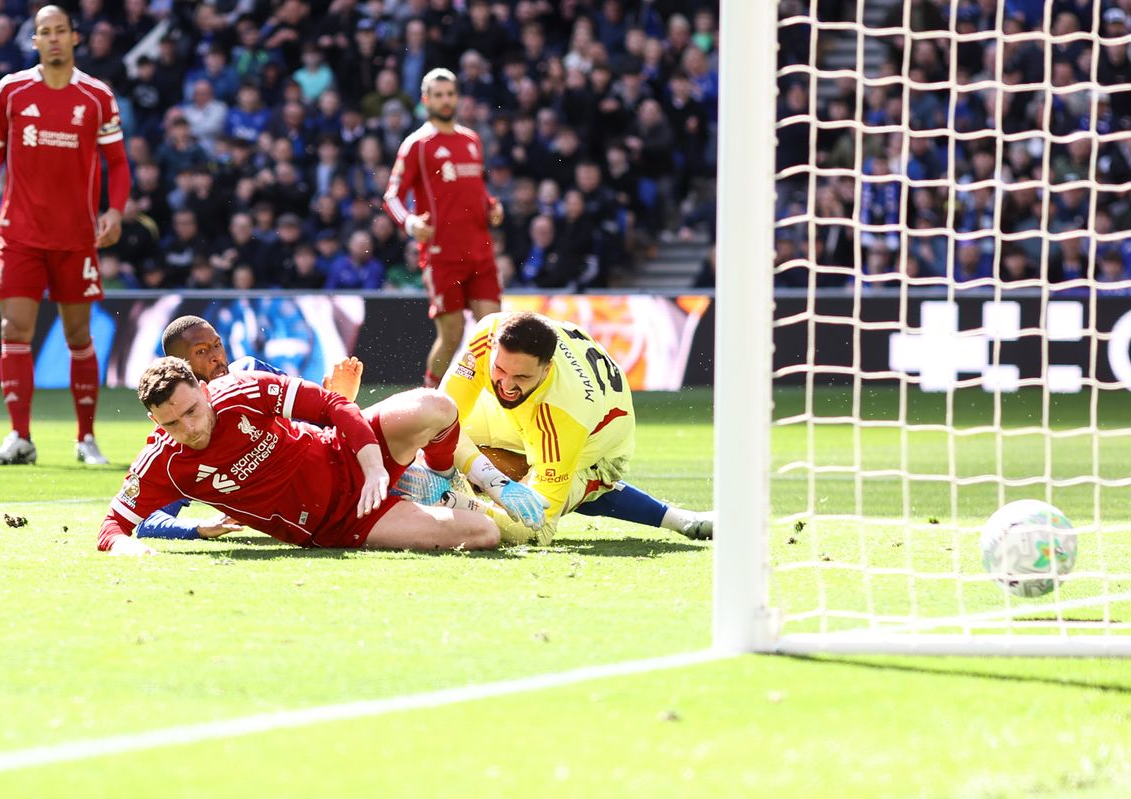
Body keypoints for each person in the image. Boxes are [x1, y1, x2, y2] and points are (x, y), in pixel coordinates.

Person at [98, 357, 500, 556]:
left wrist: (373, 465)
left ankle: (440, 479)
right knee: (485, 533)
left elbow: (331, 404)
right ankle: (418, 493)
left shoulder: (242, 389)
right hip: (340, 521)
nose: (189, 429)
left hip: (343, 452)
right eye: (172, 424)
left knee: (437, 405)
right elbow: (112, 526)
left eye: (192, 411)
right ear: (154, 420)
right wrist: (126, 548)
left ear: (204, 390)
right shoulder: (162, 462)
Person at [0, 5, 131, 466]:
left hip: (77, 238)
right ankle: (20, 437)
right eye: (44, 32)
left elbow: (117, 162)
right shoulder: (12, 90)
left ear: (75, 38)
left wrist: (115, 211)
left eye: (61, 31)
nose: (53, 38)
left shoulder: (97, 97)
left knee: (79, 335)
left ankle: (86, 438)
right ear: (34, 40)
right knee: (13, 329)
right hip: (19, 235)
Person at [424, 311, 713, 545]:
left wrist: (452, 501)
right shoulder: (487, 337)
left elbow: (536, 530)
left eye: (521, 376)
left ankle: (677, 519)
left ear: (547, 369)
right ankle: (681, 518)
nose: (507, 386)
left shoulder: (563, 416)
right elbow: (440, 417)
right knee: (428, 427)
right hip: (531, 414)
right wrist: (489, 477)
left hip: (593, 448)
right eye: (499, 370)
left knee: (525, 517)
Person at [133, 315, 364, 542]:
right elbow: (148, 522)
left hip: (337, 476)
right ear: (179, 365)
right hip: (310, 519)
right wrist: (200, 528)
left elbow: (315, 431)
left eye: (217, 345)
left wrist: (341, 402)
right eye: (201, 351)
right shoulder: (184, 436)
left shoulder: (251, 372)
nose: (216, 357)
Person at [383, 68, 504, 389]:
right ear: (426, 100)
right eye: (438, 95)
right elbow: (392, 195)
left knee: (494, 330)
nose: (446, 100)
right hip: (442, 255)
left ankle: (492, 403)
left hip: (480, 251)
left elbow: (475, 189)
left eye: (450, 94)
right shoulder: (417, 145)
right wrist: (410, 223)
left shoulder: (472, 140)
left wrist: (491, 206)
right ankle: (429, 396)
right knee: (451, 336)